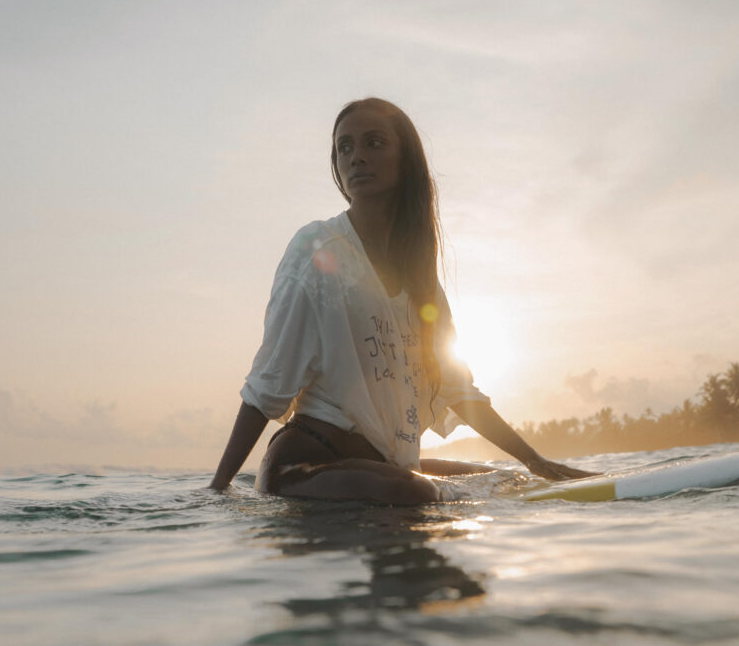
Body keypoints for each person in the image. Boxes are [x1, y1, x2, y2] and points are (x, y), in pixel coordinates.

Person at [210, 97, 596, 504]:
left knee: (505, 481)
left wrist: (537, 463)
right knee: (416, 492)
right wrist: (217, 490)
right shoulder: (318, 248)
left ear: (406, 160)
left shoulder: (421, 283)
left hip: (381, 469)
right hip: (304, 469)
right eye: (345, 147)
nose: (357, 157)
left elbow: (457, 390)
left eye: (373, 143)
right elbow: (267, 384)